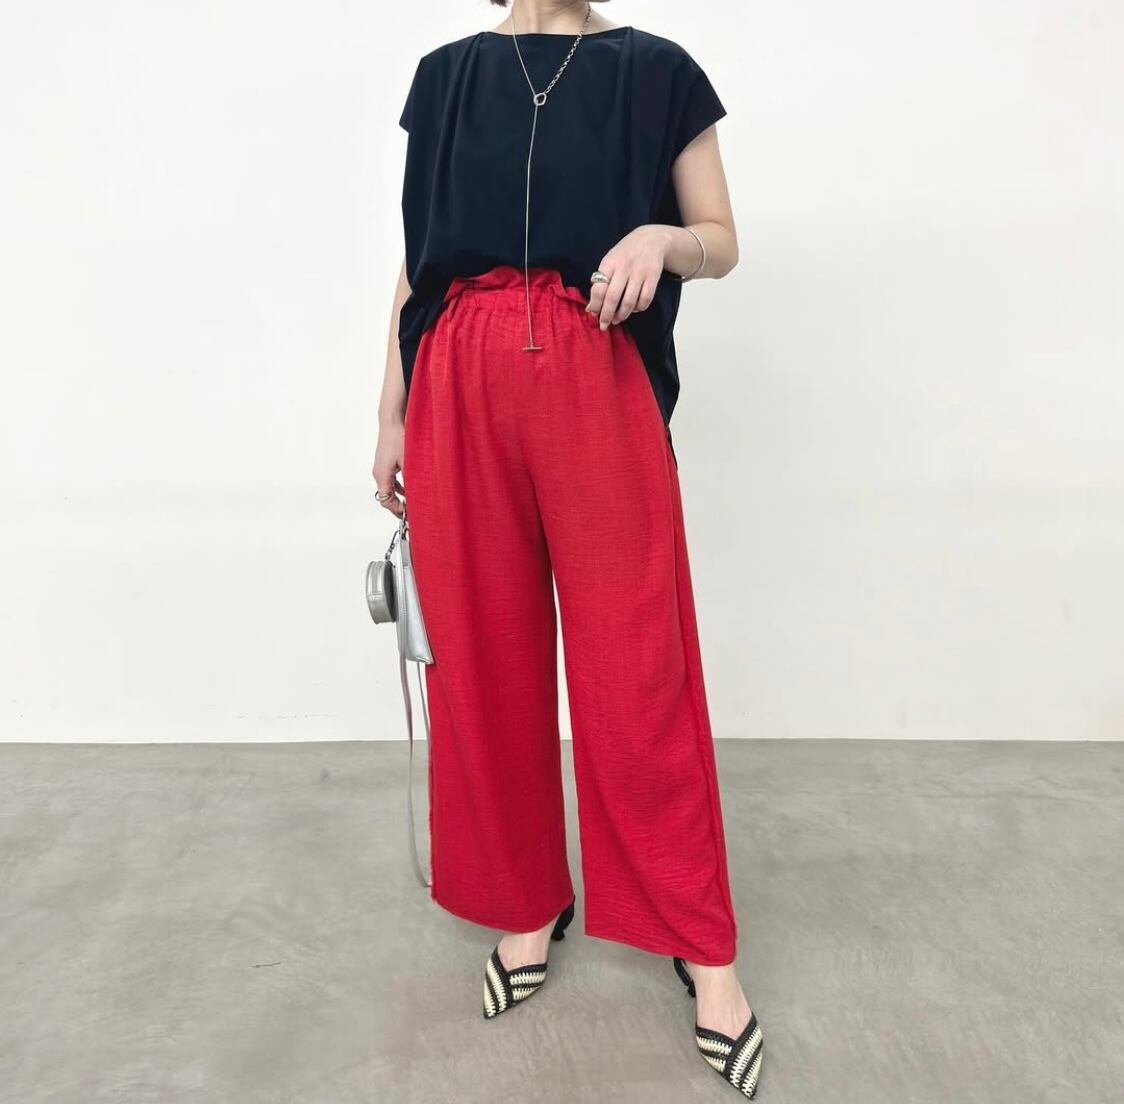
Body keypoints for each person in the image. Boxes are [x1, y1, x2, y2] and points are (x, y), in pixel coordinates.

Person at [372, 0, 763, 1096]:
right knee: (482, 667)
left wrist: (662, 240)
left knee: (638, 670)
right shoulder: (445, 75)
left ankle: (701, 943)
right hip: (456, 378)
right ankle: (525, 900)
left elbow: (721, 239)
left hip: (597, 365)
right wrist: (389, 409)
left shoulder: (657, 70)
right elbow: (417, 260)